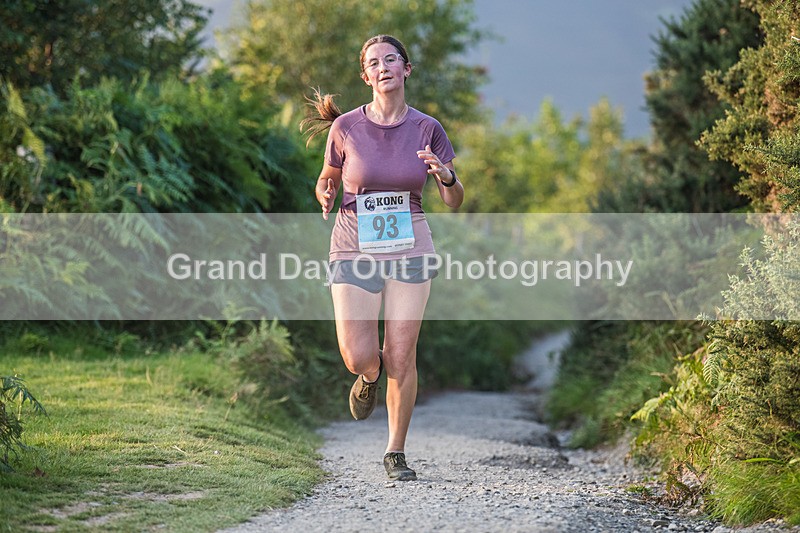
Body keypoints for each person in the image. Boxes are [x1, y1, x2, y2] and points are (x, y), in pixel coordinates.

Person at [301, 34, 464, 481]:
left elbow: (454, 200)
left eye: (391, 59)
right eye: (374, 63)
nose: (383, 67)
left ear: (406, 69)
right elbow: (327, 178)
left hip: (411, 246)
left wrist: (446, 176)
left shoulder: (428, 128)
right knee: (357, 356)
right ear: (366, 76)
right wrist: (325, 191)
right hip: (354, 243)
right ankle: (368, 377)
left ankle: (396, 451)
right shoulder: (346, 127)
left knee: (401, 354)